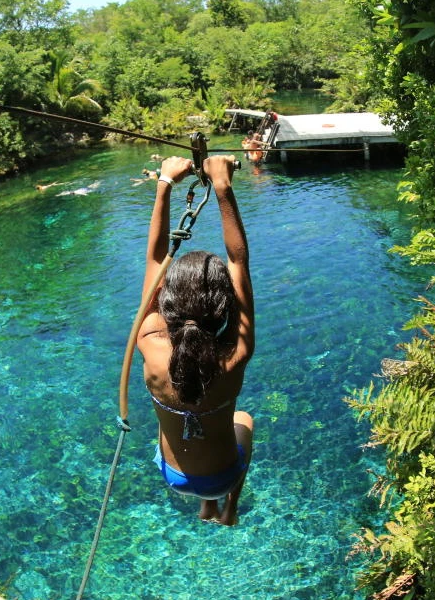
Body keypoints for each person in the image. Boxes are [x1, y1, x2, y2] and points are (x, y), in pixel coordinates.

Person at [136, 155, 255, 526]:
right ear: (223, 306)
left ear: (167, 301)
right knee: (244, 418)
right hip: (223, 477)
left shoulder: (149, 341)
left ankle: (204, 506)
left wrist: (166, 181)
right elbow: (238, 261)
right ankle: (227, 508)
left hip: (174, 477)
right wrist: (223, 186)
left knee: (175, 406)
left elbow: (156, 259)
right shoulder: (235, 354)